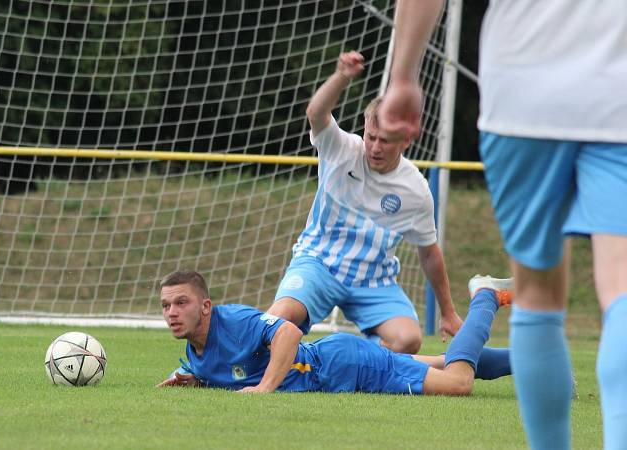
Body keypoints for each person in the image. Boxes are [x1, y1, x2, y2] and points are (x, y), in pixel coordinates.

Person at [377, 1, 627, 448]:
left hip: (522, 92)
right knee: (622, 287)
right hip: (618, 93)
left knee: (536, 296)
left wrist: (403, 76)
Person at [267, 50, 462, 354]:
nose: (374, 147)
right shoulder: (341, 147)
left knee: (408, 341)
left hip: (372, 278)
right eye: (371, 136)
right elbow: (316, 113)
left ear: (406, 139)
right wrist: (342, 75)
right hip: (319, 262)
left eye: (385, 140)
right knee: (277, 321)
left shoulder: (416, 189)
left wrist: (448, 312)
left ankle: (342, 357)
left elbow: (429, 253)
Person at [157, 270, 512, 395]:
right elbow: (221, 368)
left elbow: (289, 334)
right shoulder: (195, 354)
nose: (172, 313)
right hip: (338, 363)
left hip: (346, 365)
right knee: (441, 362)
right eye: (166, 306)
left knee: (458, 383)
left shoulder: (233, 320)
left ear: (205, 306)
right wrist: (192, 378)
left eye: (181, 303)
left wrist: (264, 388)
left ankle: (485, 296)